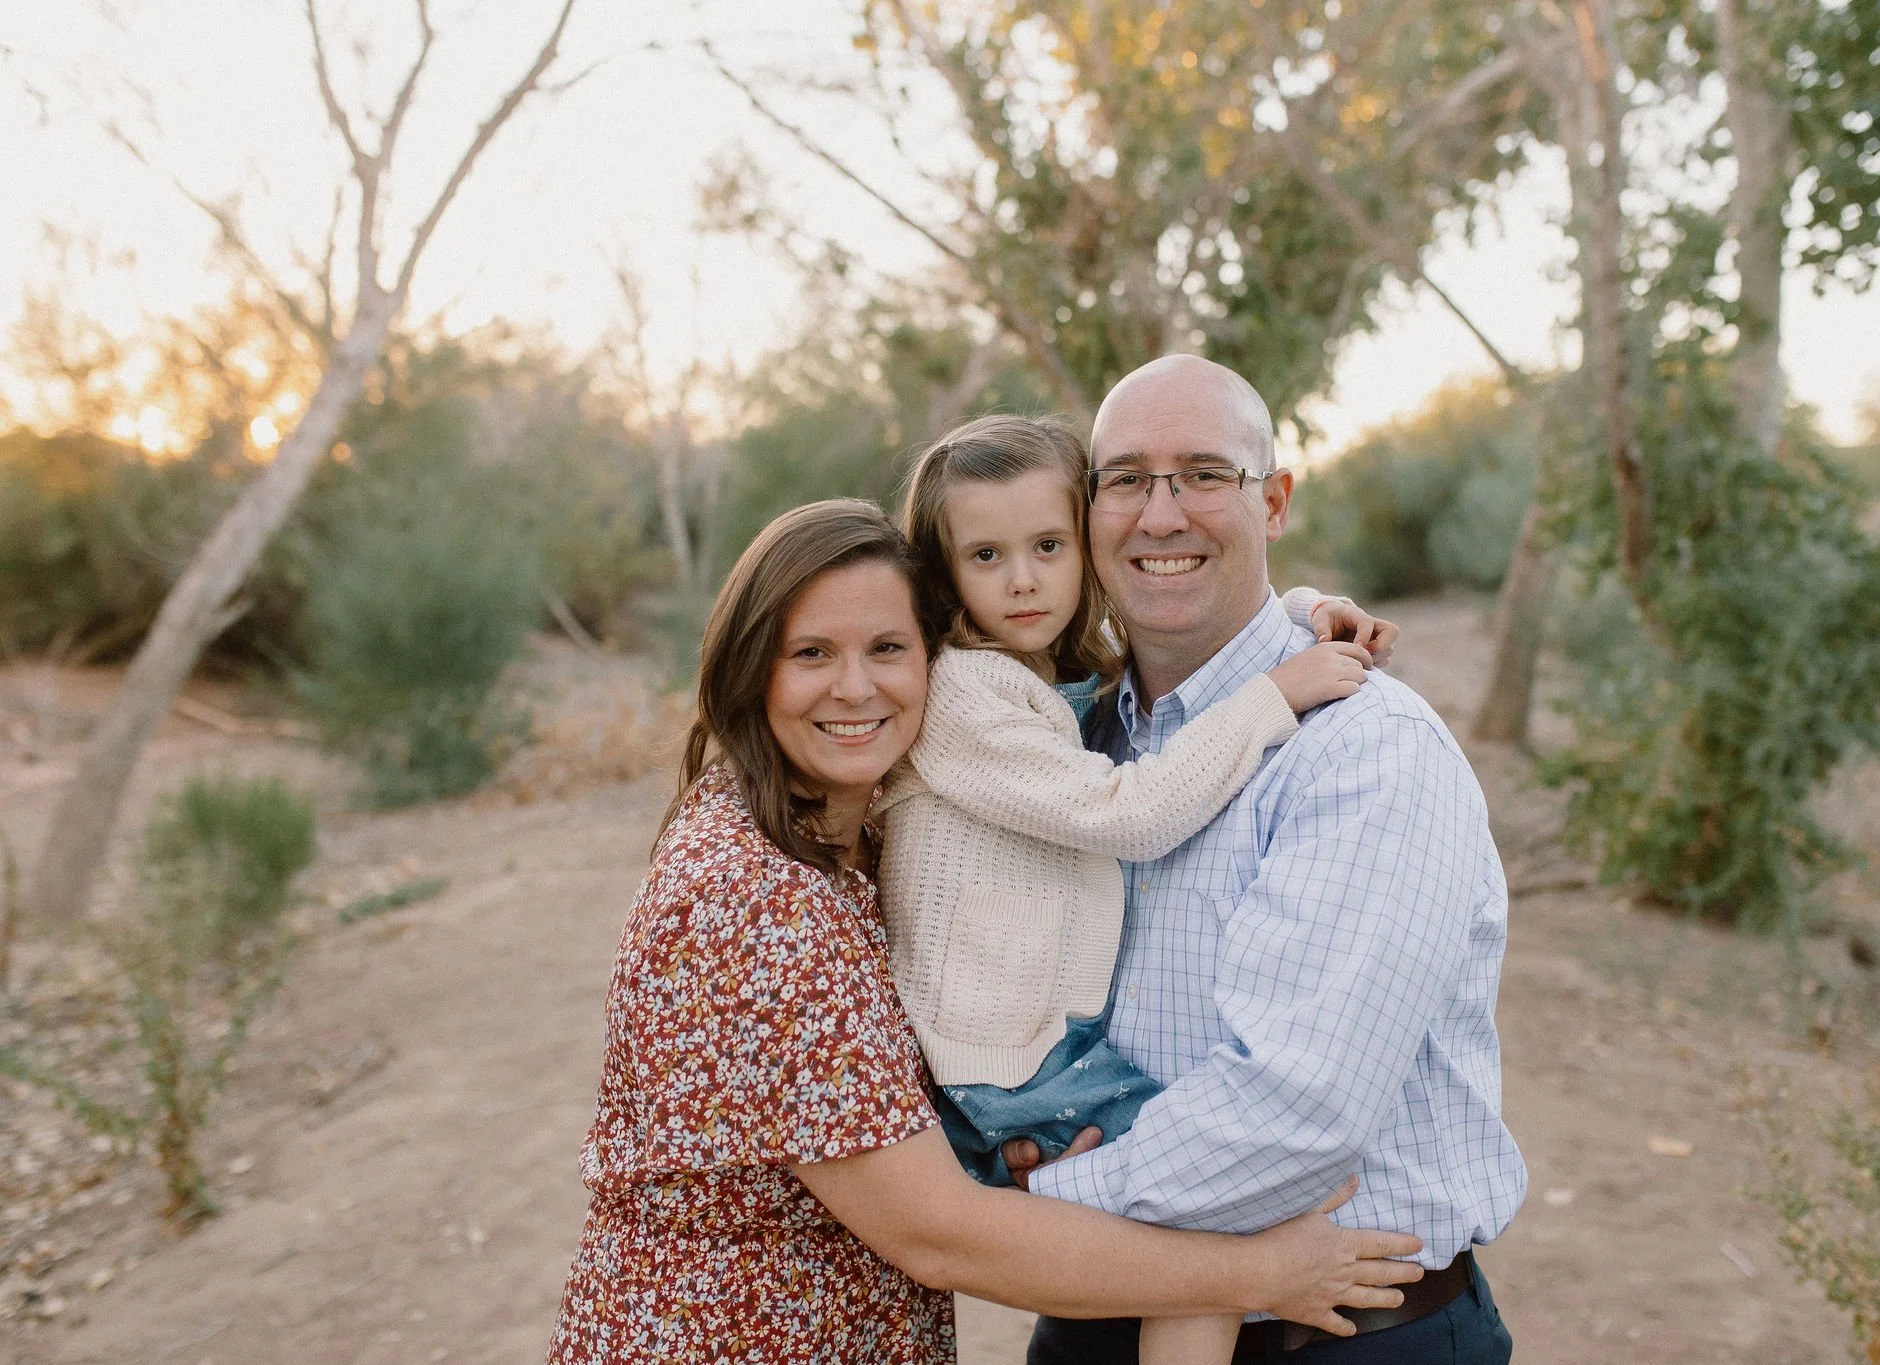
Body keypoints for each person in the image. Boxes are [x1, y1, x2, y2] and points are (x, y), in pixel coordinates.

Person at [545, 498, 1427, 1365]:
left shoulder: (833, 832)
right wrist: (1259, 1272)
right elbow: (938, 1234)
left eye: (887, 648)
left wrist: (1298, 611)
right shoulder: (752, 898)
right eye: (811, 653)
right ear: (750, 669)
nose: (855, 687)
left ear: (937, 653)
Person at [1011, 356, 1528, 1365]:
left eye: (1205, 474)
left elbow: (1295, 1112)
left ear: (1275, 501)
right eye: (1126, 479)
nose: (1160, 514)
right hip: (1092, 1323)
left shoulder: (1365, 750)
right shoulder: (1071, 739)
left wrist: (1036, 1201)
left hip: (1339, 1337)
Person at [878, 415, 1399, 1365]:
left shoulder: (1043, 667)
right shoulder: (961, 693)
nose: (1024, 579)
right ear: (942, 574)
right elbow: (1130, 812)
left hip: (1037, 1042)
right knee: (1212, 1210)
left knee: (1200, 1200)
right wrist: (1277, 694)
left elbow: (1187, 614)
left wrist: (1306, 607)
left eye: (1048, 546)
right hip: (1001, 1059)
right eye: (986, 555)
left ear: (1086, 545)